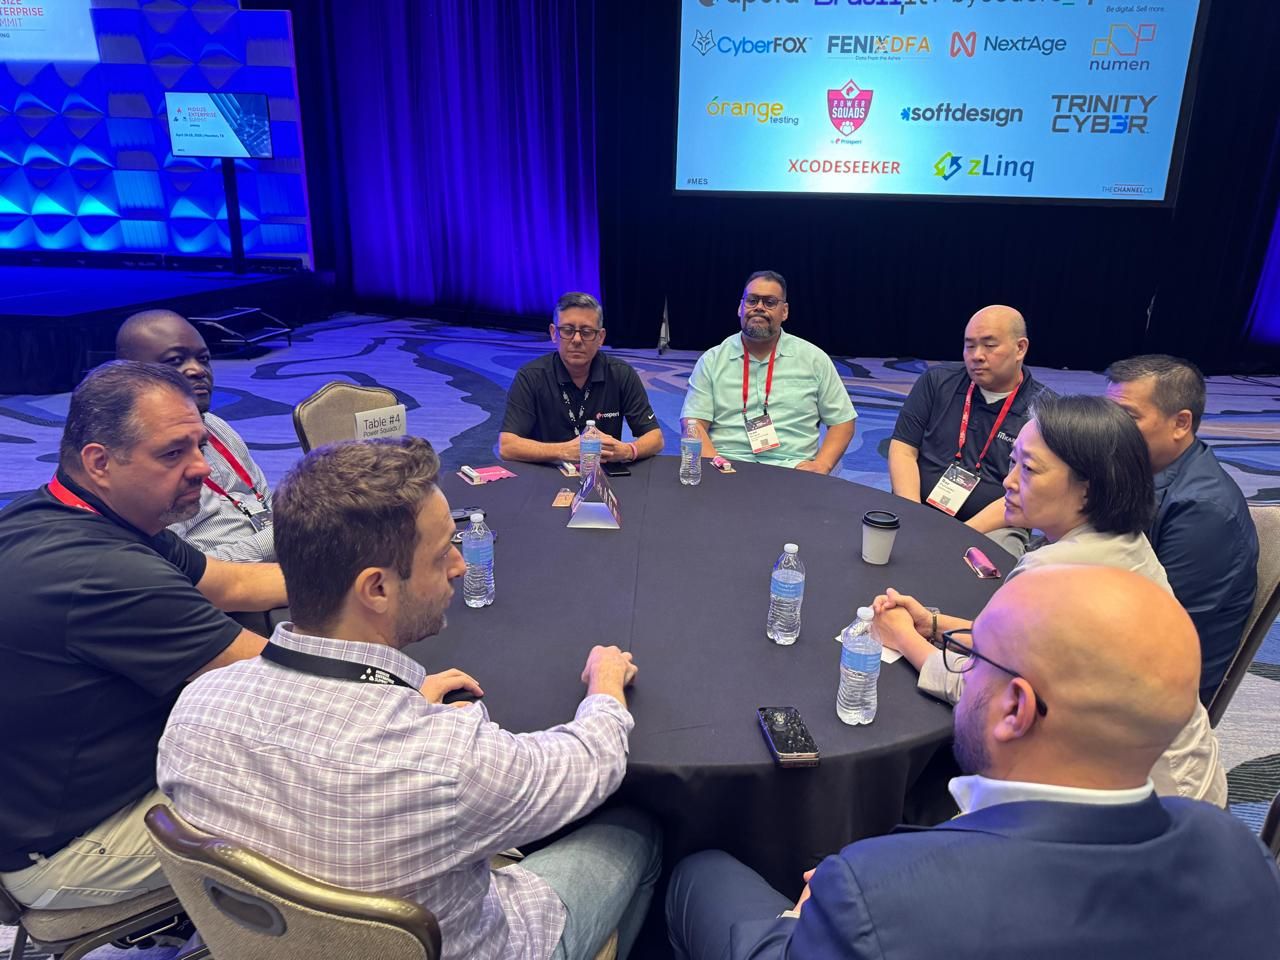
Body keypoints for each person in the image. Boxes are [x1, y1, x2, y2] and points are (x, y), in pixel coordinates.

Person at [158, 436, 661, 960]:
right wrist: (604, 686)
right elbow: (591, 762)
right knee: (637, 829)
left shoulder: (194, 712)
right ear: (376, 588)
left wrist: (404, 700)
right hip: (493, 942)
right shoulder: (450, 761)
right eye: (444, 551)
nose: (461, 566)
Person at [665, 566, 1280, 960]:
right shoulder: (1238, 851)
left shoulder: (872, 894)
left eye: (972, 654)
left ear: (1016, 708)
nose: (958, 665)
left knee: (699, 872)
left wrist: (806, 914)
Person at [0, 361, 285, 910]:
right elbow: (284, 680)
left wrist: (366, 575)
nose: (203, 468)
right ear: (100, 462)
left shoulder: (74, 508)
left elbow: (234, 582)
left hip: (42, 794)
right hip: (67, 850)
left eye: (200, 445)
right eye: (173, 453)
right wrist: (409, 681)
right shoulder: (103, 571)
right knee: (332, 791)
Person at [874, 395, 1224, 804]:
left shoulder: (1053, 574)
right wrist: (935, 624)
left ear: (1088, 492)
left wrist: (903, 637)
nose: (1008, 480)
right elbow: (1030, 654)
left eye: (1030, 469)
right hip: (1188, 786)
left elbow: (982, 693)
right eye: (1013, 461)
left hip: (1133, 810)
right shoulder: (1128, 544)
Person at [1105, 354, 1259, 705]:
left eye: (1127, 417)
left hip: (1158, 695)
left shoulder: (1203, 512)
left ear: (1180, 423)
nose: (1110, 428)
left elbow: (1155, 633)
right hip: (1120, 647)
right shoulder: (1135, 469)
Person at [116, 309, 277, 562]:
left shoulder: (215, 426)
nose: (197, 370)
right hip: (226, 589)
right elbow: (181, 568)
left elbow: (264, 500)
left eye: (203, 359)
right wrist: (279, 540)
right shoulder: (141, 462)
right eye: (175, 361)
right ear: (132, 375)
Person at [889, 305, 1051, 555]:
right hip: (918, 509)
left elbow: (1027, 489)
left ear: (1020, 348)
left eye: (989, 345)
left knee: (999, 562)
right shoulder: (936, 382)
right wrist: (914, 514)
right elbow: (903, 449)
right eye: (969, 345)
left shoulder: (1046, 410)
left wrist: (960, 533)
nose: (976, 355)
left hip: (995, 526)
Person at [681, 270, 856, 472]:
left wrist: (822, 465)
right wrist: (716, 466)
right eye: (752, 300)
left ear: (785, 311)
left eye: (770, 302)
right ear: (740, 307)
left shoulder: (813, 359)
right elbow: (693, 423)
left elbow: (843, 422)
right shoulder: (712, 360)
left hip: (792, 468)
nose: (759, 308)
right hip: (727, 466)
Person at [499, 291, 664, 465]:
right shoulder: (531, 376)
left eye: (586, 332)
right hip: (545, 474)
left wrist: (627, 450)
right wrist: (563, 451)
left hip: (602, 476)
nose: (577, 339)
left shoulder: (621, 374)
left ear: (600, 337)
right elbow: (507, 446)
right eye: (568, 330)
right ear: (554, 333)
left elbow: (656, 438)